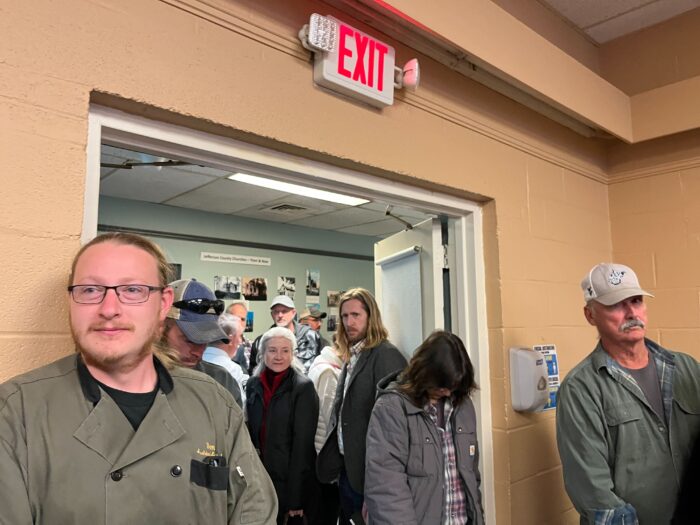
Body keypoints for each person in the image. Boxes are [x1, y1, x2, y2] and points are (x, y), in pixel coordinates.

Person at [0, 232, 277, 524]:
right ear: (71, 299)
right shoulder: (16, 411)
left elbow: (255, 511)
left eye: (132, 290)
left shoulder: (214, 403)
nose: (108, 309)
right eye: (90, 290)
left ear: (162, 304)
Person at [556, 263, 700, 524]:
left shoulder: (687, 369)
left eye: (636, 300)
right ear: (590, 315)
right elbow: (593, 492)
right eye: (616, 304)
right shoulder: (581, 388)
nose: (631, 312)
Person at [365, 330, 485, 525]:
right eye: (441, 386)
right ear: (424, 373)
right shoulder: (392, 409)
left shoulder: (463, 406)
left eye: (452, 386)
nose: (447, 391)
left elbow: (471, 477)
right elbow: (386, 490)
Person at [317, 288, 407, 525]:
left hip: (372, 475)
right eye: (345, 316)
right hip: (349, 469)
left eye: (356, 315)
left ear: (371, 317)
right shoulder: (352, 355)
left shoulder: (386, 355)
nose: (349, 322)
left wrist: (380, 482)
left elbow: (395, 426)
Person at [246, 327, 319, 525]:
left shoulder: (303, 388)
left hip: (288, 482)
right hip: (258, 478)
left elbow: (302, 447)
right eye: (273, 350)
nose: (279, 356)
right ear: (263, 353)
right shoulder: (253, 384)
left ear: (292, 354)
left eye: (285, 350)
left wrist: (296, 497)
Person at [163, 278, 243, 407]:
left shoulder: (222, 381)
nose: (198, 352)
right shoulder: (133, 380)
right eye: (189, 340)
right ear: (160, 328)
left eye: (205, 341)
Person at [307, 341, 344, 524]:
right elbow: (331, 415)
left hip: (317, 448)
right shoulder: (329, 371)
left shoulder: (319, 364)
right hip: (324, 449)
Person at [248, 295, 321, 375]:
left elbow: (318, 369)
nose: (280, 315)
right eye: (276, 311)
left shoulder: (311, 336)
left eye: (284, 311)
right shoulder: (261, 342)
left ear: (293, 313)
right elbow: (254, 375)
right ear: (272, 315)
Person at [203, 312, 249, 405]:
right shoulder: (234, 370)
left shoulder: (193, 363)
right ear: (230, 339)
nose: (241, 341)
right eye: (240, 335)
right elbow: (242, 408)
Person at [228, 299, 253, 371]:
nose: (239, 322)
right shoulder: (220, 345)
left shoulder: (252, 345)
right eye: (235, 318)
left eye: (242, 319)